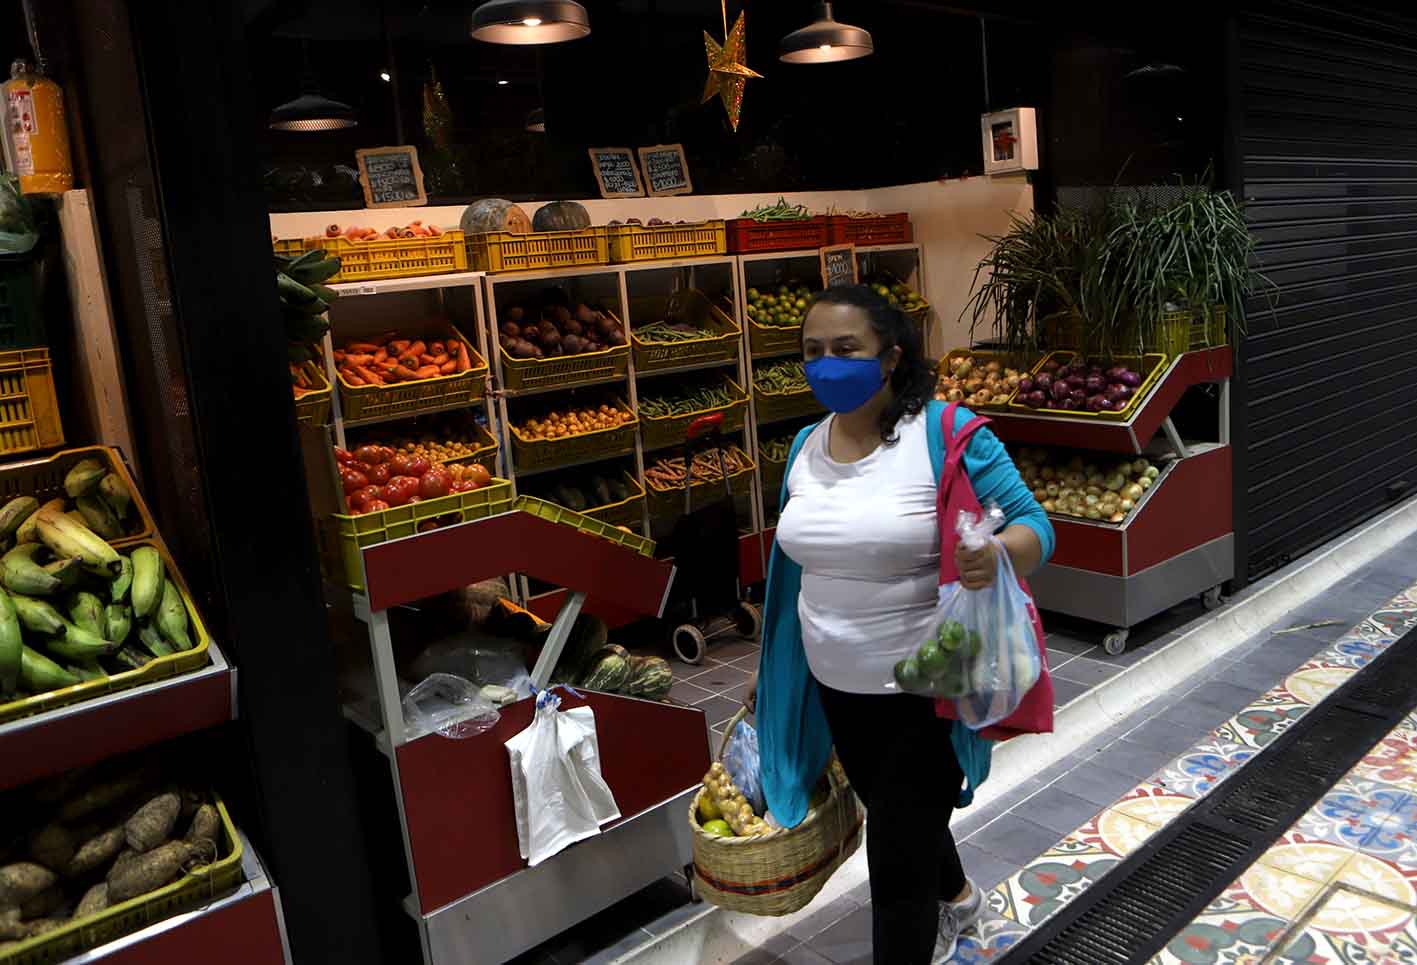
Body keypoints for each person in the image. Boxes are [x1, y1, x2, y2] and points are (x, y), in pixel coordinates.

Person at [746, 285, 1054, 963]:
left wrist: (998, 554)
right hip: (835, 686)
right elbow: (797, 567)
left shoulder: (945, 434)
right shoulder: (805, 445)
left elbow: (1037, 527)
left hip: (925, 689)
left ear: (889, 358)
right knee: (896, 813)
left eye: (845, 348)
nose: (826, 364)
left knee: (893, 863)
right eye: (812, 351)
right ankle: (960, 898)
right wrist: (774, 669)